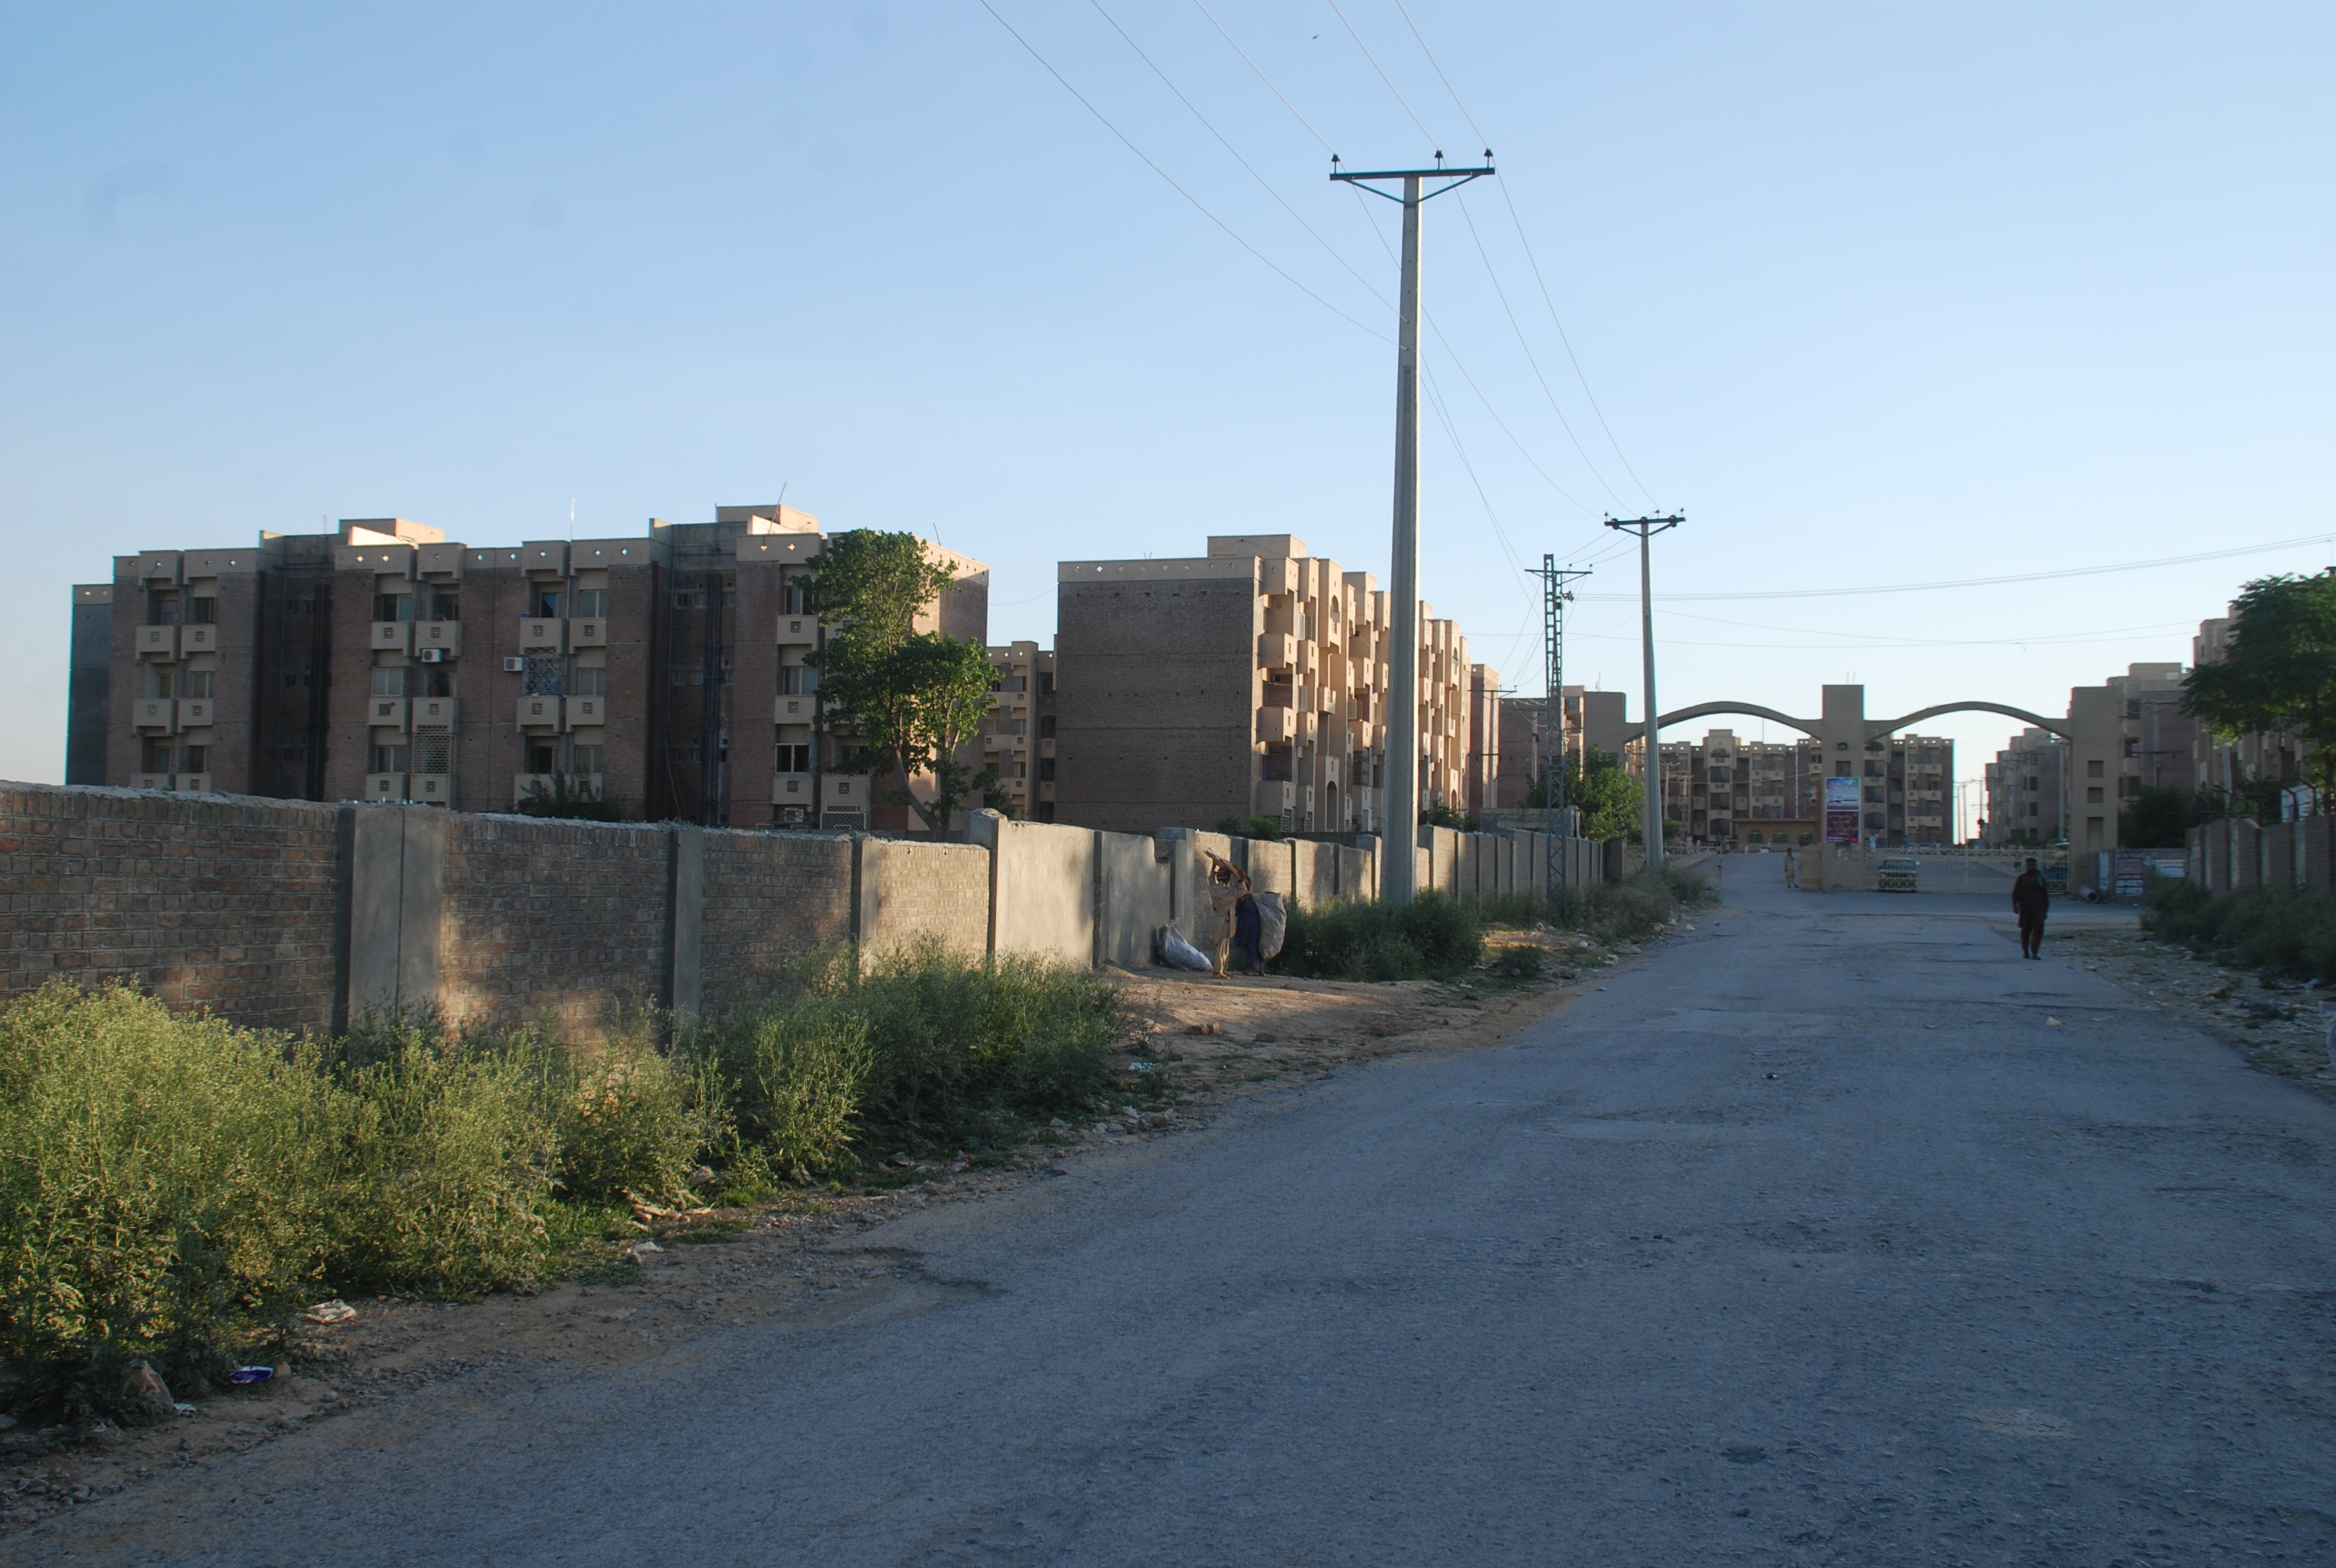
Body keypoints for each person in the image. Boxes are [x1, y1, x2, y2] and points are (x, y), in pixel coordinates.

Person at [2011, 857, 2049, 959]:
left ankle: (2035, 952)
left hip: (2039, 909)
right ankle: (2025, 951)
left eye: (2033, 865)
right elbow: (2016, 894)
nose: (2032, 867)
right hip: (2026, 909)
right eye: (2030, 865)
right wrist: (2016, 905)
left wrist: (2045, 909)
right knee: (2025, 931)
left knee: (2038, 930)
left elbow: (2045, 895)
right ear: (2027, 866)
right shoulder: (2022, 879)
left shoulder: (2041, 878)